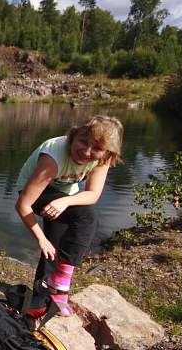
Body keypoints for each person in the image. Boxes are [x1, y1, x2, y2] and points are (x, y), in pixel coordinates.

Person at [14, 116, 123, 316]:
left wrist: (65, 201)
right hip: (33, 192)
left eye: (96, 148)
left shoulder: (103, 158)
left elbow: (93, 194)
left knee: (55, 246)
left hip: (63, 195)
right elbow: (23, 204)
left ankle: (42, 300)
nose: (87, 151)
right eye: (83, 141)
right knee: (85, 218)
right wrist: (41, 239)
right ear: (73, 136)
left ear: (107, 152)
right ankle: (59, 287)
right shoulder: (53, 158)